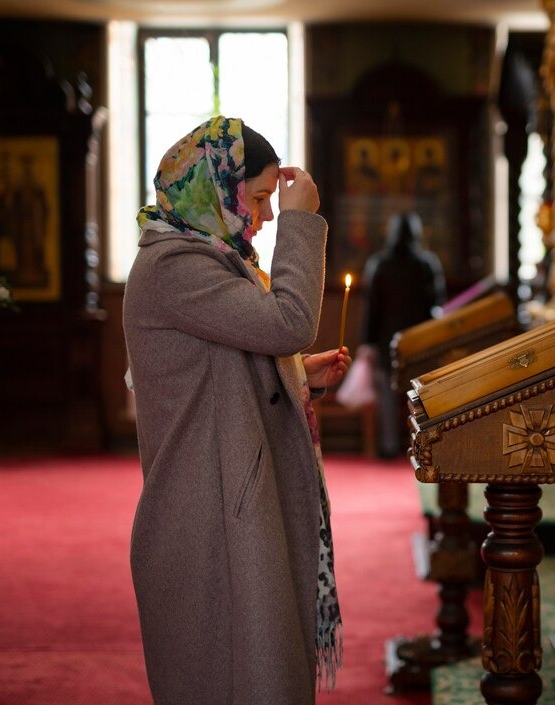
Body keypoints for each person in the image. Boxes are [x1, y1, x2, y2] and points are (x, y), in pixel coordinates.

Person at [122, 115, 349, 705]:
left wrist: (302, 376)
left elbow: (234, 362)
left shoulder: (213, 255)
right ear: (217, 189)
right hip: (206, 516)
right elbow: (287, 323)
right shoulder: (175, 266)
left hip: (230, 497)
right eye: (260, 198)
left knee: (258, 675)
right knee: (229, 681)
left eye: (274, 202)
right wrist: (304, 220)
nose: (269, 215)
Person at [361, 211, 446, 458]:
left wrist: (368, 342)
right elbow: (436, 303)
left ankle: (388, 447)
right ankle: (423, 446)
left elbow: (372, 307)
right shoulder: (427, 264)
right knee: (421, 394)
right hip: (420, 340)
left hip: (387, 339)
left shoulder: (380, 264)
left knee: (388, 395)